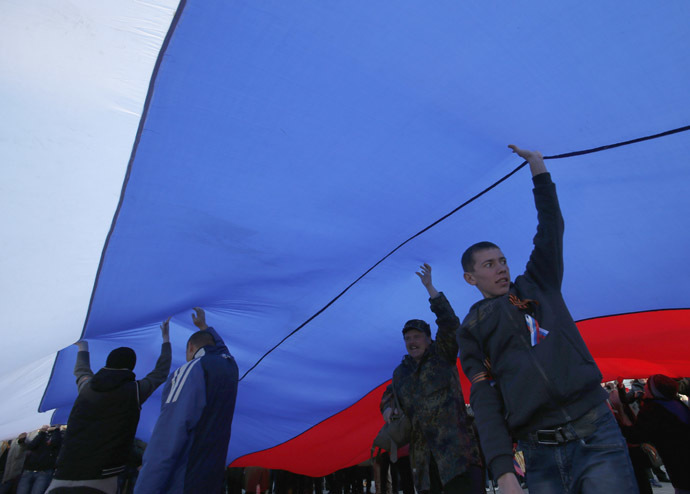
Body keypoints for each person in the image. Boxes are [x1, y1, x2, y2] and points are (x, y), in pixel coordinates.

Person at [456, 145, 638, 493]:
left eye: (503, 260)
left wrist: (538, 169)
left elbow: (550, 227)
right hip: (538, 452)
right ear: (470, 278)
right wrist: (503, 469)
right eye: (489, 264)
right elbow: (484, 398)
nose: (502, 268)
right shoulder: (471, 330)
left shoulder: (539, 282)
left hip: (595, 432)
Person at [381, 264, 483, 494]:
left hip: (458, 456)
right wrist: (387, 410)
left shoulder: (442, 355)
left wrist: (430, 288)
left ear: (428, 339)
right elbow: (387, 396)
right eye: (408, 338)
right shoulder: (401, 372)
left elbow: (450, 323)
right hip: (424, 464)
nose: (412, 342)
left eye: (417, 336)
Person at [46, 318, 172, 494]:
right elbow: (160, 373)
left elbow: (81, 371)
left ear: (107, 363)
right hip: (101, 478)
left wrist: (83, 348)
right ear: (131, 367)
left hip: (62, 474)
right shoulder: (134, 391)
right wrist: (166, 340)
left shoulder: (87, 388)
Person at [134, 307, 239, 494]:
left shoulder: (190, 370)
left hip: (182, 481)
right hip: (210, 479)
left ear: (190, 348)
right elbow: (222, 350)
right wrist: (204, 327)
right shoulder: (229, 367)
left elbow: (168, 436)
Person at [623, 374, 690, 493]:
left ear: (654, 390)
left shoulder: (654, 410)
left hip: (679, 464)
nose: (645, 387)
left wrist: (620, 410)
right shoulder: (675, 403)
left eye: (648, 385)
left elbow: (635, 436)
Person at [16, 425, 62, 494]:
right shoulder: (40, 435)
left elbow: (55, 443)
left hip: (44, 471)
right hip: (29, 470)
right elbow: (32, 445)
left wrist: (56, 430)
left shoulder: (58, 435)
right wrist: (42, 432)